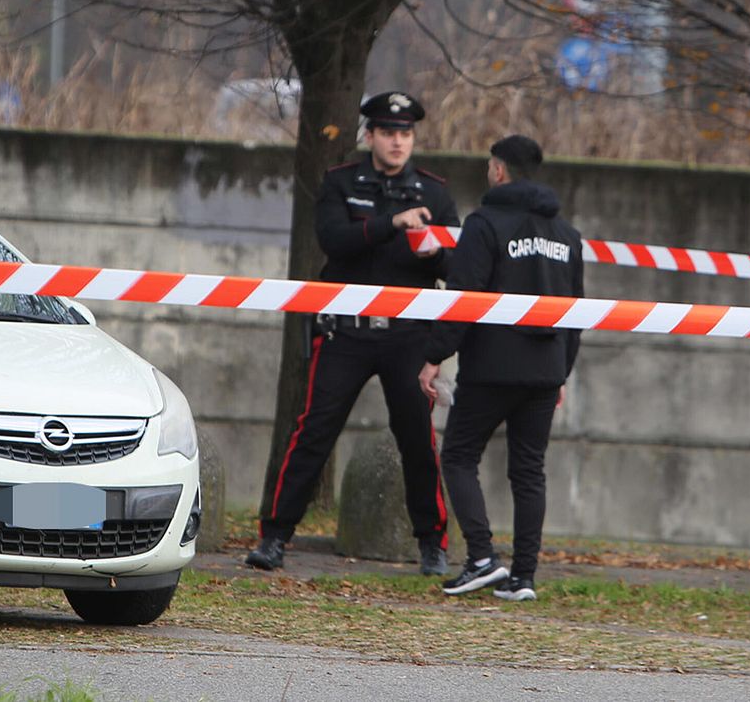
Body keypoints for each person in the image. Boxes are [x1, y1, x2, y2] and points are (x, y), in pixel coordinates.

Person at [246, 91, 460, 575]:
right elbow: (334, 242)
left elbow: (459, 264)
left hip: (408, 336)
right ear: (370, 136)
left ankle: (432, 544)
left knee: (417, 440)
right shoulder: (342, 182)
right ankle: (274, 537)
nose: (398, 142)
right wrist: (392, 224)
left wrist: (436, 255)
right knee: (314, 433)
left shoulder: (435, 193)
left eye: (405, 133)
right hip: (347, 333)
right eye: (388, 132)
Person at [417, 134, 584, 602]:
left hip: (491, 368)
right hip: (545, 371)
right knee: (529, 472)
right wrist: (562, 373)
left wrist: (434, 356)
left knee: (458, 456)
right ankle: (524, 577)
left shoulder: (485, 224)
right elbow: (578, 313)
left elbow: (464, 297)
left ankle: (482, 559)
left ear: (498, 170)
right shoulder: (566, 235)